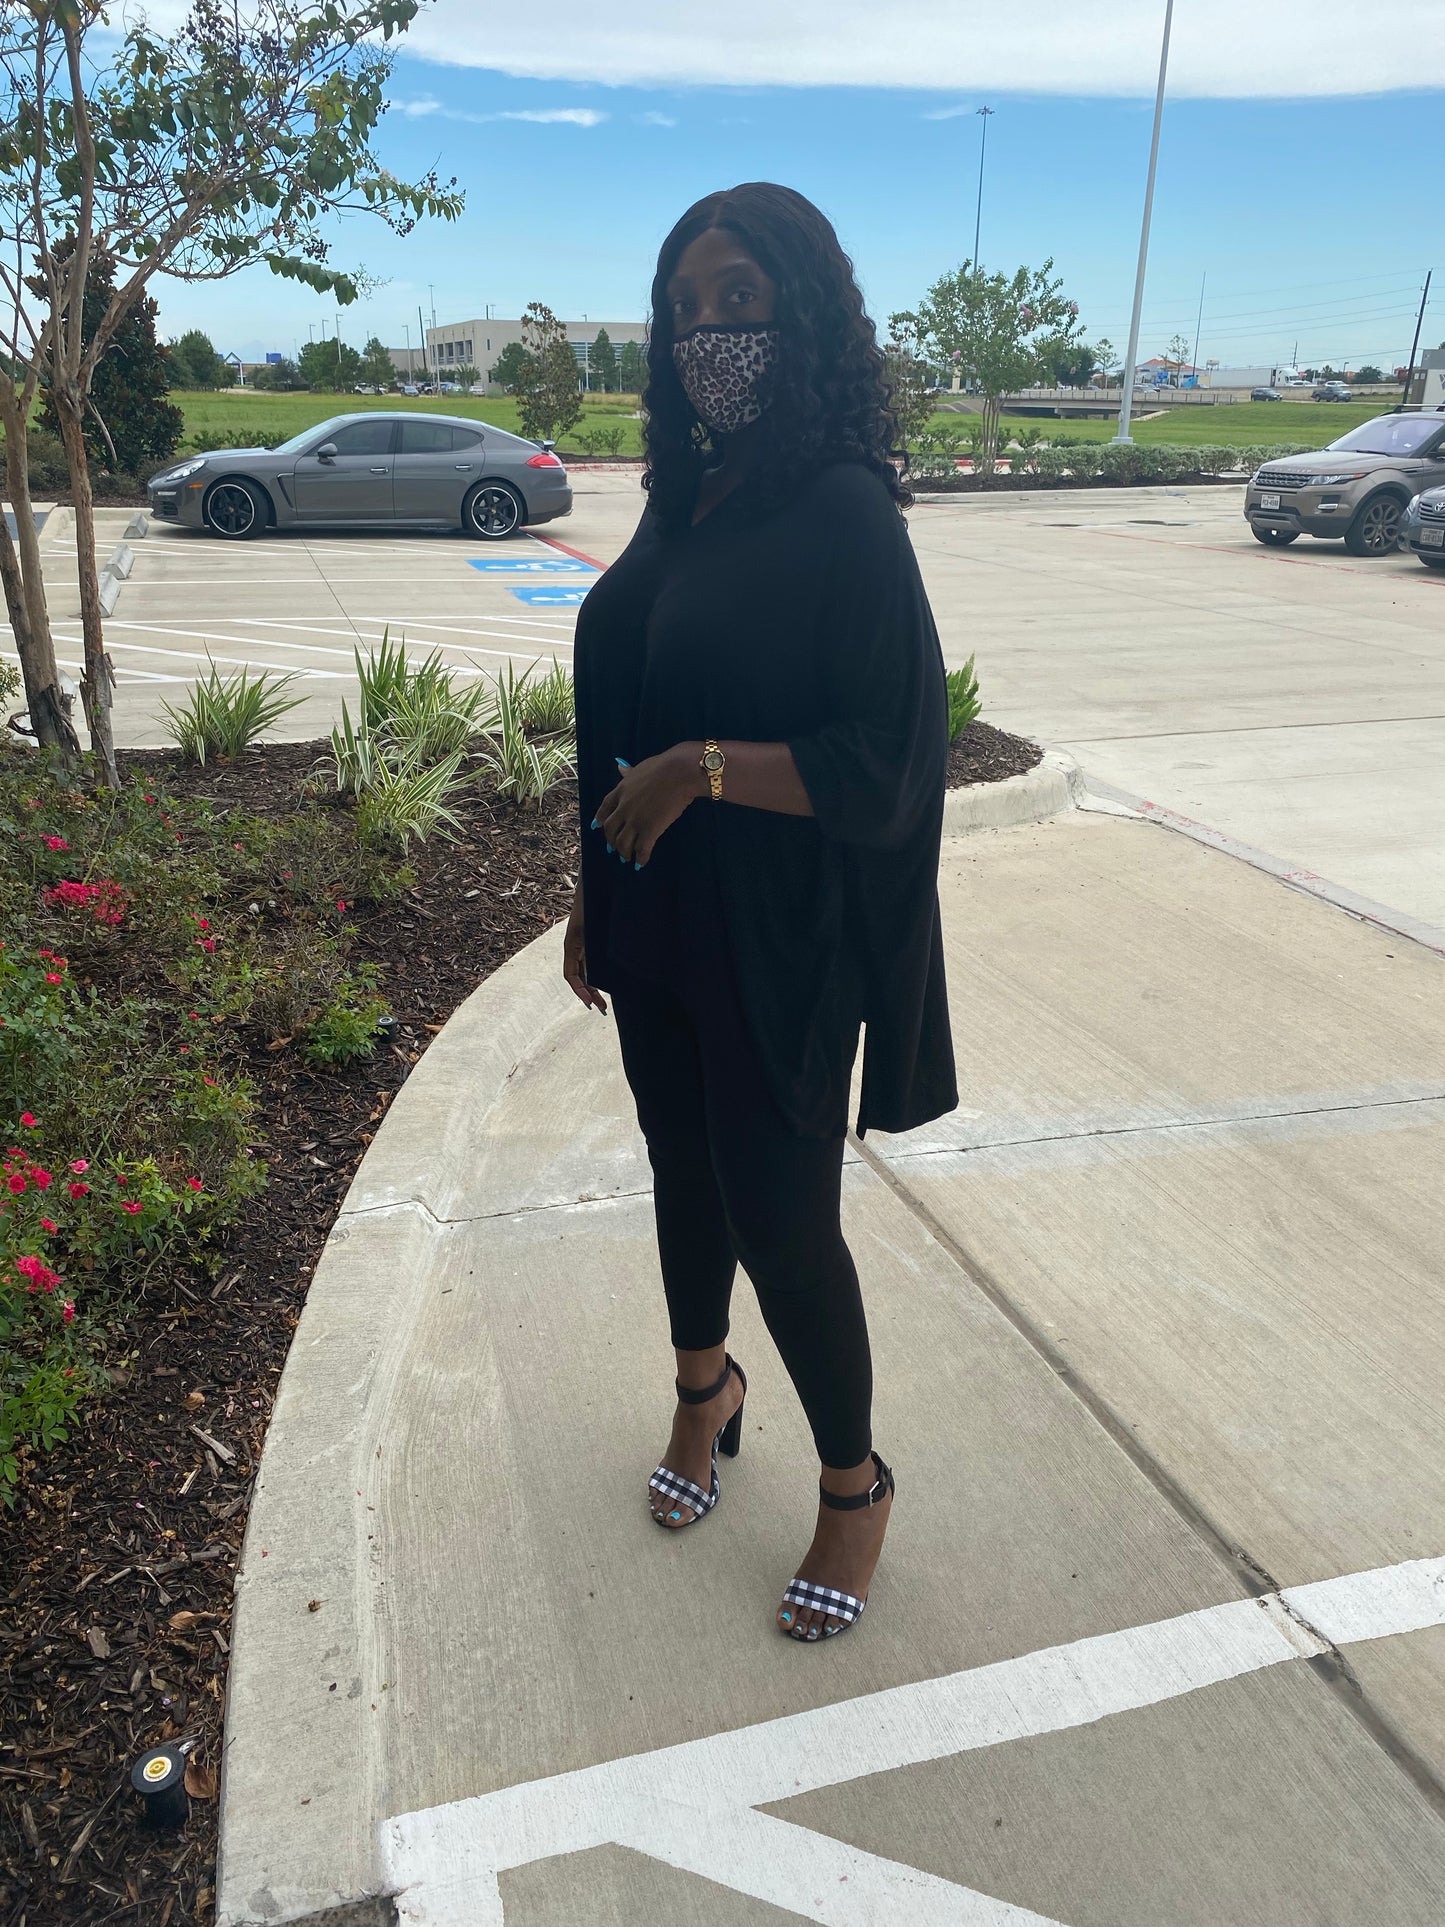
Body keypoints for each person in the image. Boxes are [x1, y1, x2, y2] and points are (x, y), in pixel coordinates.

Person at [564, 181, 957, 1643]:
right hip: (656, 917)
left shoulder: (841, 509)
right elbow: (626, 695)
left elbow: (893, 757)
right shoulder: (685, 497)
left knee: (783, 1216)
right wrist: (591, 892)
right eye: (684, 310)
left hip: (779, 938)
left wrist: (704, 769)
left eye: (737, 299)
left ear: (803, 312)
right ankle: (703, 1390)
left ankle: (854, 1484)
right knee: (682, 1171)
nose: (706, 333)